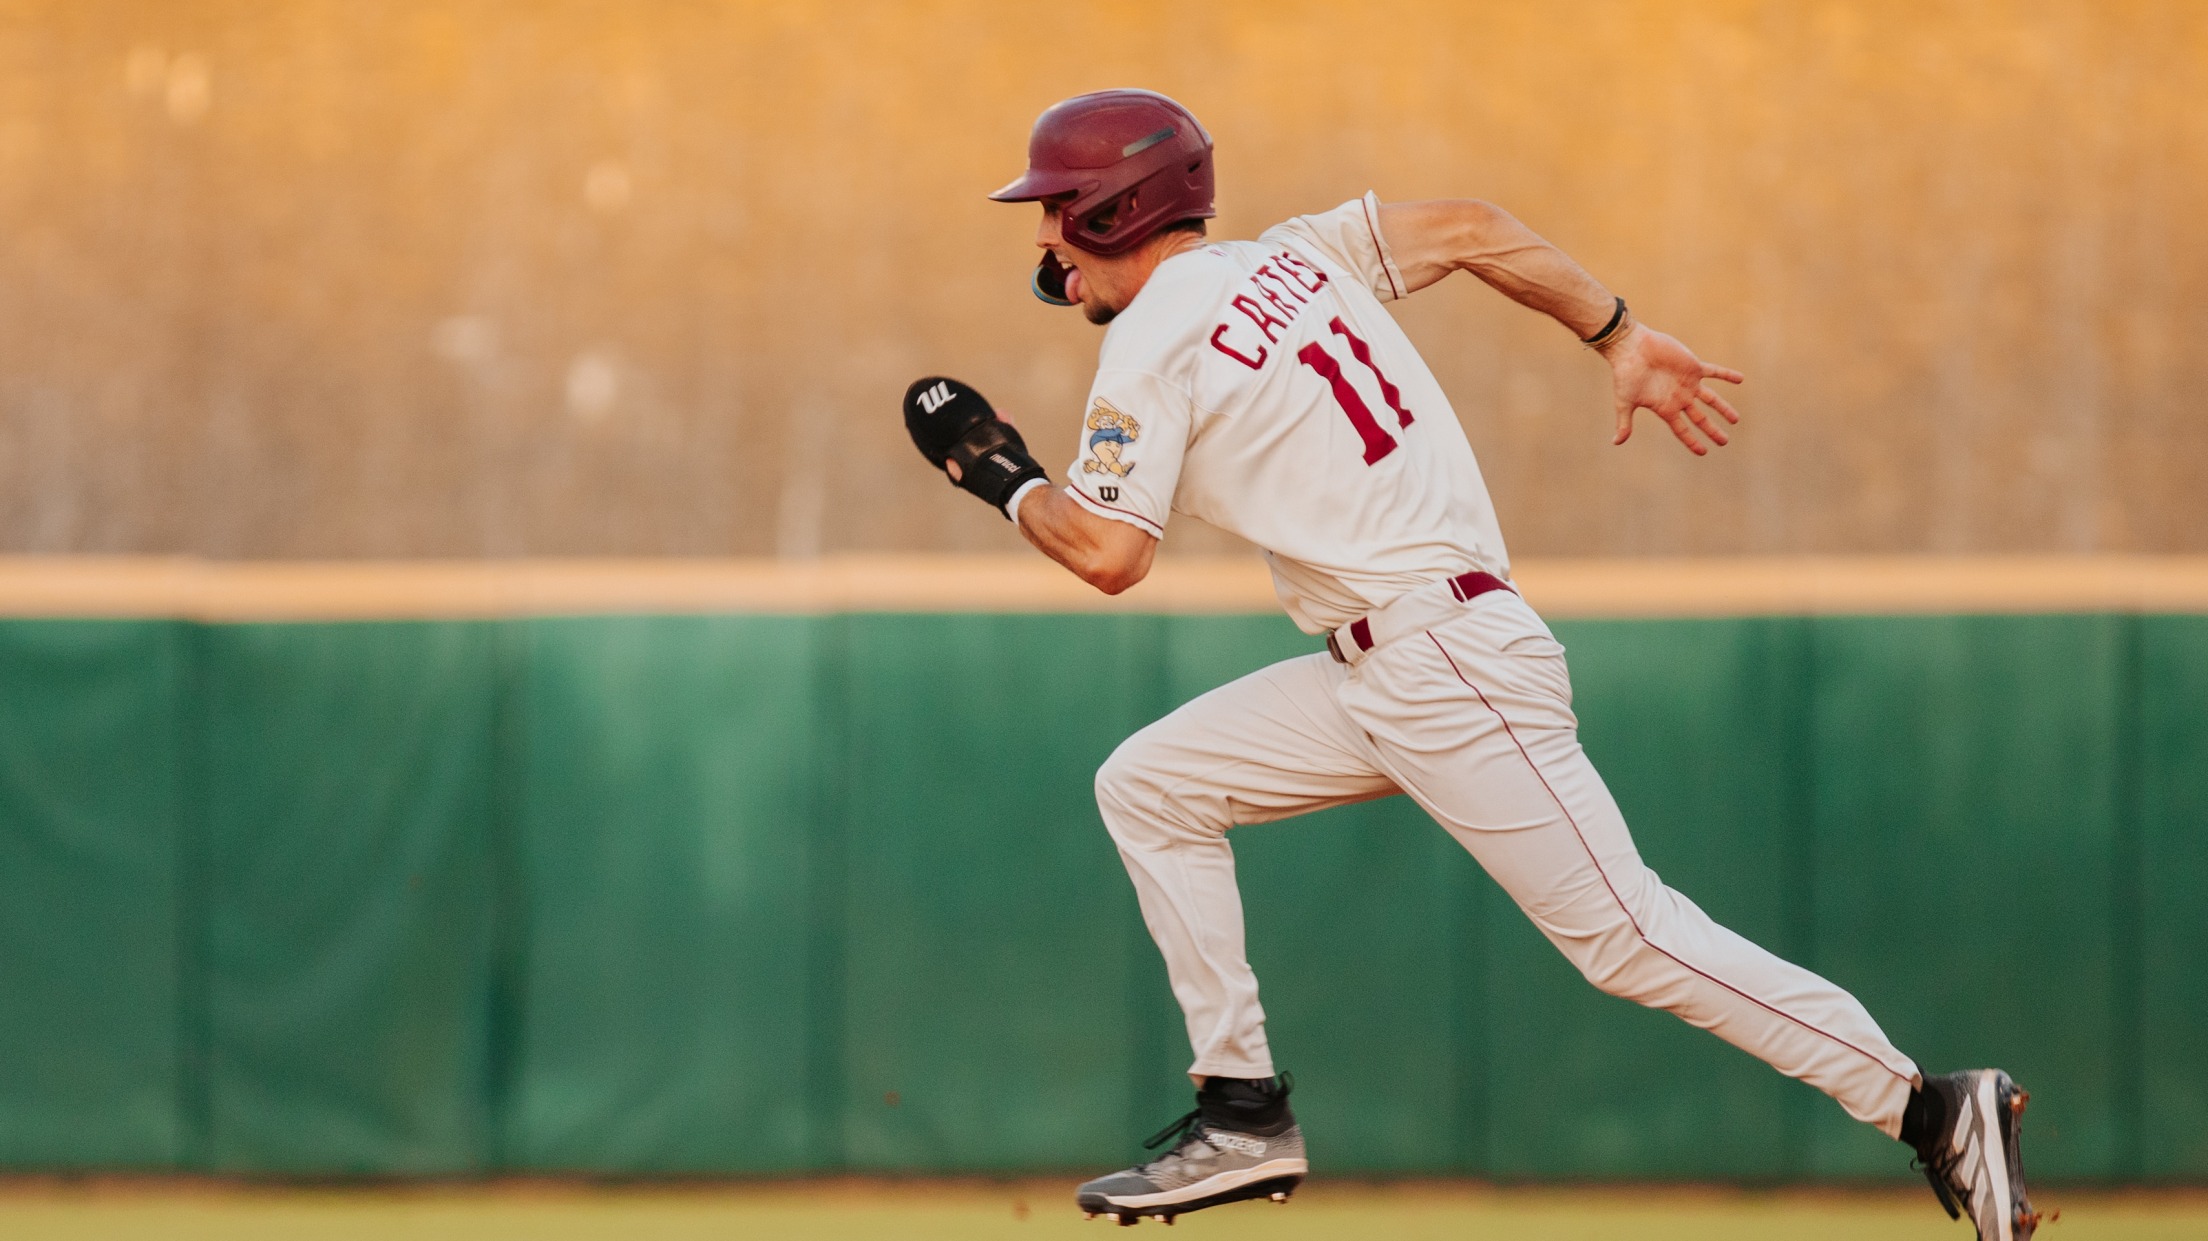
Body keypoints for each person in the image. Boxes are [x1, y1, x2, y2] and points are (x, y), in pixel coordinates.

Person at [900, 89, 2036, 1239]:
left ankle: (1931, 1105)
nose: (1042, 235)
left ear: (1114, 208)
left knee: (1628, 936)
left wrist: (1001, 475)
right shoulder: (1295, 254)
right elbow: (1475, 229)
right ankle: (1240, 1107)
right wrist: (1620, 332)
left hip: (1441, 659)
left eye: (1055, 207)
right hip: (1386, 660)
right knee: (1149, 782)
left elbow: (1108, 556)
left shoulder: (1151, 339)